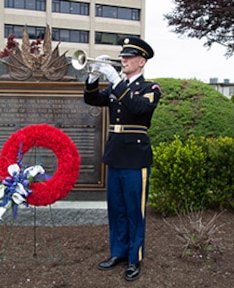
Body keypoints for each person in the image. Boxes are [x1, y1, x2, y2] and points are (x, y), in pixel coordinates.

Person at [83, 37, 161, 281]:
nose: (123, 60)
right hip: (116, 155)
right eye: (123, 56)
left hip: (136, 159)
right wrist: (94, 77)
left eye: (128, 57)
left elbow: (139, 108)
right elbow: (92, 99)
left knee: (134, 212)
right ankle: (118, 253)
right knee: (116, 209)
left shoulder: (150, 89)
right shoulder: (118, 88)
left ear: (141, 61)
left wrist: (115, 79)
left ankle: (134, 258)